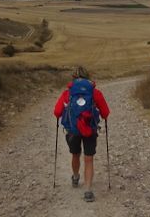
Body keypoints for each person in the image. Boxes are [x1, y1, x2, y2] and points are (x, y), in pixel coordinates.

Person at [53, 66, 110, 202]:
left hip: (73, 130)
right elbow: (106, 113)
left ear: (74, 78)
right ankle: (88, 190)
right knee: (89, 159)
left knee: (75, 155)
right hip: (90, 129)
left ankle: (76, 176)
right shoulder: (95, 93)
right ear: (88, 77)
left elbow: (56, 112)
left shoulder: (68, 93)